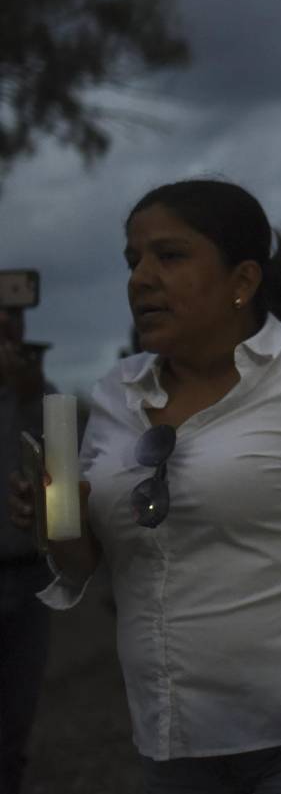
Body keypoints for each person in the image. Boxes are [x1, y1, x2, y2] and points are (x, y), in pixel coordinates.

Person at [7, 179, 281, 794]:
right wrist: (55, 517)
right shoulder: (117, 395)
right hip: (173, 741)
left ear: (242, 280)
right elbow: (86, 561)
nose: (140, 279)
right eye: (132, 260)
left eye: (169, 256)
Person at [0, 305, 52, 793]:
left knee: (14, 723)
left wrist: (30, 393)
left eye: (13, 313)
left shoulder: (38, 392)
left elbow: (61, 467)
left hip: (29, 574)